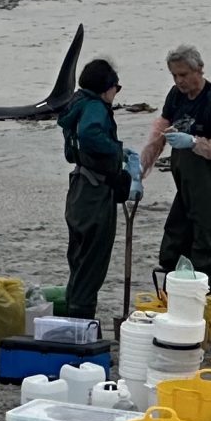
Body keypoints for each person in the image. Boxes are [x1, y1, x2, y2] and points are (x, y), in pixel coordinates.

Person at [139, 44, 211, 299]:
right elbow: (159, 134)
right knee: (174, 246)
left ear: (199, 70)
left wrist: (194, 143)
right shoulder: (175, 96)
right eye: (174, 75)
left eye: (184, 75)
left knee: (207, 254)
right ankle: (175, 303)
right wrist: (138, 171)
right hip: (186, 188)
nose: (179, 81)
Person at [56, 57, 136, 320]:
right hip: (95, 193)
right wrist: (116, 150)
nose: (116, 93)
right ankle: (81, 320)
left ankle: (73, 313)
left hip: (78, 188)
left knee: (78, 258)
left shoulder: (75, 105)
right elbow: (91, 135)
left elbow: (76, 146)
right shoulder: (95, 108)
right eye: (116, 87)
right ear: (106, 88)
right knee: (92, 261)